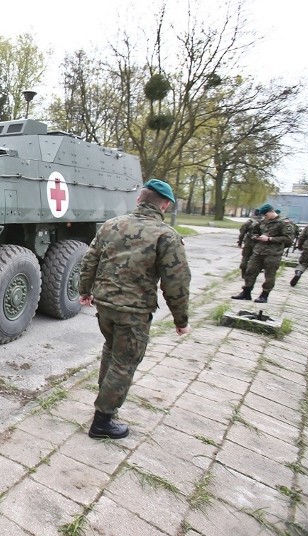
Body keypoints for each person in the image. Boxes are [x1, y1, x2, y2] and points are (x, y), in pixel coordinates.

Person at [78, 179, 191, 439]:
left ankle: (104, 404)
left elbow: (89, 261)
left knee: (112, 352)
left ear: (139, 199)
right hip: (134, 311)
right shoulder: (166, 236)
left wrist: (85, 291)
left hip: (105, 306)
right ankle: (102, 422)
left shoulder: (110, 225)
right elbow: (177, 282)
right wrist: (181, 320)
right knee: (124, 362)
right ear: (165, 204)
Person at [231, 203, 290, 303]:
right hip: (258, 251)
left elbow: (288, 240)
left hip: (273, 254)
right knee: (250, 271)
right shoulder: (263, 222)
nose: (264, 217)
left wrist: (270, 239)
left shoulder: (283, 223)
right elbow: (255, 232)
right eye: (263, 215)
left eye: (266, 215)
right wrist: (255, 237)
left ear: (272, 211)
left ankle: (264, 295)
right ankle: (246, 292)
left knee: (269, 275)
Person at [238, 208, 260, 276]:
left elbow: (242, 233)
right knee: (255, 259)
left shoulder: (248, 222)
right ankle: (251, 273)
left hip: (248, 242)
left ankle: (243, 269)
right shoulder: (264, 222)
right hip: (259, 244)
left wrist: (240, 242)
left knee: (245, 257)